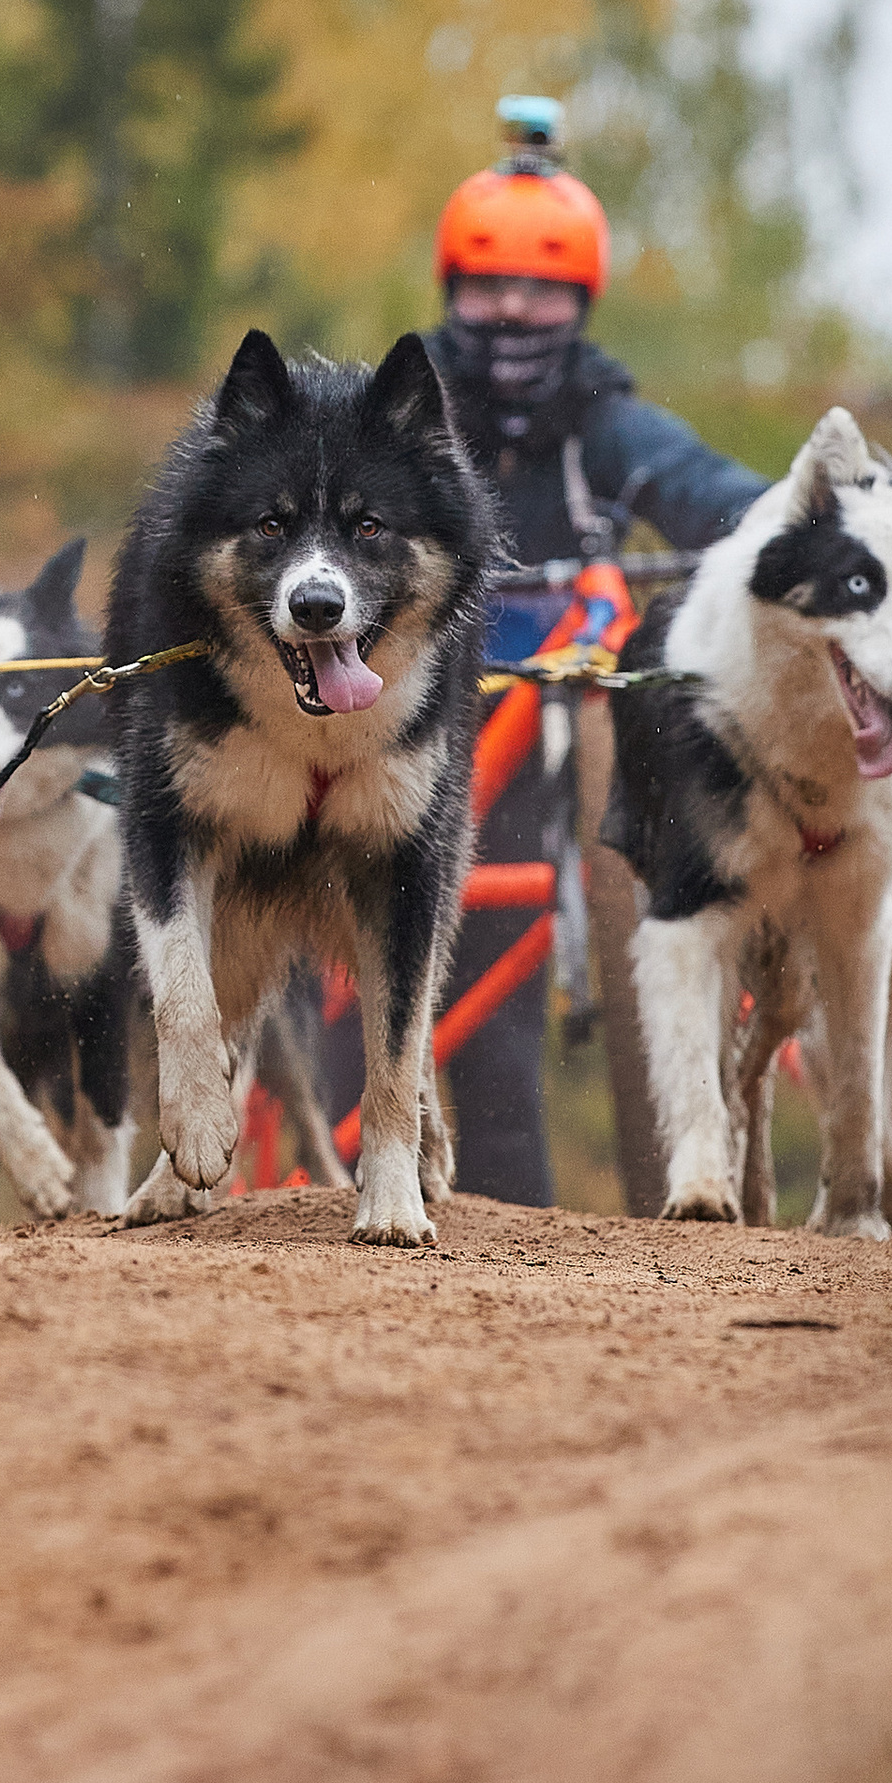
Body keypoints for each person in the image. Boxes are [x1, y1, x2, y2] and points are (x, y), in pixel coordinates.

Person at [325, 96, 767, 1207]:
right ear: (452, 291)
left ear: (580, 301)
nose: (514, 311)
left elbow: (713, 493)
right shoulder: (400, 412)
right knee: (335, 991)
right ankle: (314, 1191)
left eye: (540, 290)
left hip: (536, 745)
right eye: (489, 288)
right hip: (382, 715)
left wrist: (805, 525)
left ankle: (513, 1237)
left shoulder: (602, 425)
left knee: (496, 1034)